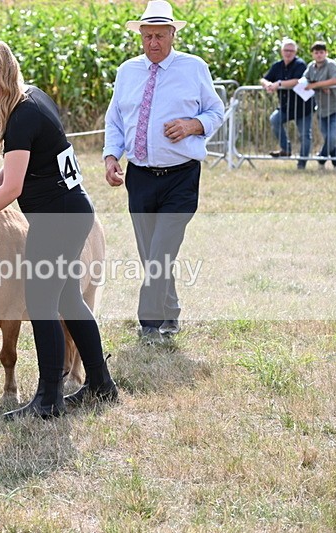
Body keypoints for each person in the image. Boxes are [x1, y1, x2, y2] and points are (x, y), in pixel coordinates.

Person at [0, 40, 118, 420]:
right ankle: (101, 385)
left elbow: (14, 187)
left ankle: (48, 399)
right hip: (71, 213)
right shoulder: (33, 98)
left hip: (57, 219)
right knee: (69, 300)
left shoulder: (22, 117)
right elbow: (14, 168)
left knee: (42, 304)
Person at [102, 0, 224, 344]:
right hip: (139, 177)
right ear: (140, 36)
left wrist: (193, 124)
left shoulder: (193, 68)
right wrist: (112, 155)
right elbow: (115, 119)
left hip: (181, 177)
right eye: (147, 36)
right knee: (151, 253)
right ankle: (171, 311)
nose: (153, 42)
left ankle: (150, 325)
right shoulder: (127, 71)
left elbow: (217, 110)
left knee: (161, 250)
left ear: (173, 34)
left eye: (160, 35)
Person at [260, 38, 314, 169]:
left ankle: (302, 163)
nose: (288, 53)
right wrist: (267, 84)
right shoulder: (277, 65)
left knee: (305, 135)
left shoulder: (300, 64)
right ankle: (286, 148)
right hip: (286, 106)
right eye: (286, 50)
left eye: (291, 50)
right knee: (274, 119)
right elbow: (264, 78)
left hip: (303, 106)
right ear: (281, 51)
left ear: (295, 52)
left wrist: (278, 84)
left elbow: (297, 81)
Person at [304, 41, 336, 169]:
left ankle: (321, 158)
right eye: (316, 52)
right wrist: (321, 86)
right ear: (312, 54)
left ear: (326, 53)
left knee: (333, 137)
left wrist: (316, 85)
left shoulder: (331, 65)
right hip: (322, 109)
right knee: (330, 139)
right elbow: (305, 81)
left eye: (321, 52)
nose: (319, 55)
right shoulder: (311, 67)